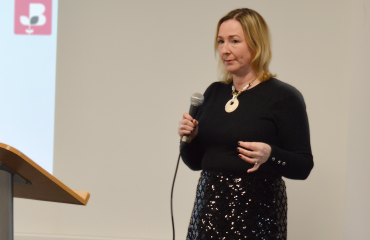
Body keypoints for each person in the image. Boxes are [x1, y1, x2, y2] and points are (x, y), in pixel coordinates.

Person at [178, 8, 313, 240]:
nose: (224, 49)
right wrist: (189, 140)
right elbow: (196, 162)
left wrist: (270, 154)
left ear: (256, 44)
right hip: (208, 214)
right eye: (221, 41)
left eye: (234, 41)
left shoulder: (283, 97)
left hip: (257, 218)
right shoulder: (213, 93)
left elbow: (303, 166)